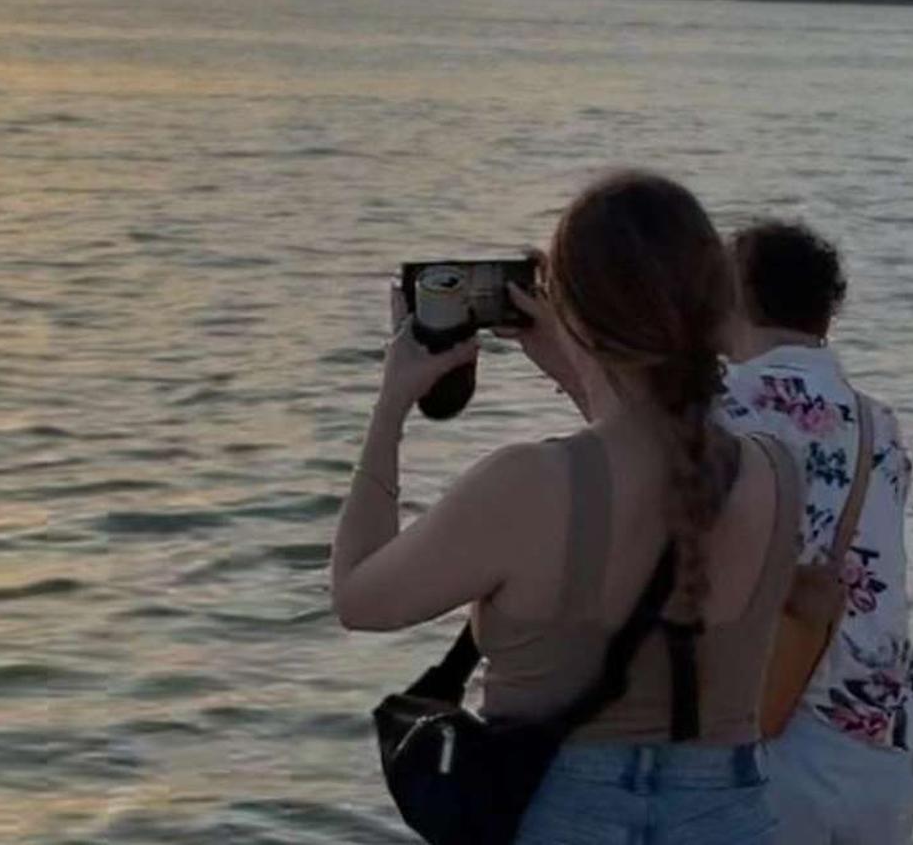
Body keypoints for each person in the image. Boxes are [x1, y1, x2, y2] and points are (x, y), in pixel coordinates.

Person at [330, 171, 801, 844]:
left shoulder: (527, 484)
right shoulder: (775, 472)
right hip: (730, 815)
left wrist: (392, 405)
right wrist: (577, 358)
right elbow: (659, 468)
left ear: (575, 312)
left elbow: (358, 597)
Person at [716, 220, 913, 845]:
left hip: (779, 728)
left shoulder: (726, 403)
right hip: (881, 741)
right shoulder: (879, 423)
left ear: (732, 297)